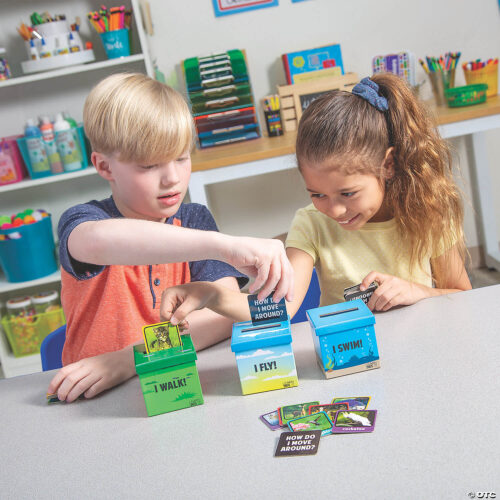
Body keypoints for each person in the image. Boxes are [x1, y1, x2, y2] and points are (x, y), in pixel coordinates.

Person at [47, 73, 293, 403]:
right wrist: (225, 245)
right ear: (104, 166)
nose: (172, 178)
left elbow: (223, 318)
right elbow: (98, 241)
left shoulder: (194, 219)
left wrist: (133, 357)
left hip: (180, 389)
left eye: (181, 157)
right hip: (97, 400)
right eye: (149, 166)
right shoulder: (83, 222)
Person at [159, 73, 471, 326]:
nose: (334, 209)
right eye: (317, 194)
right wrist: (212, 295)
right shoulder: (311, 224)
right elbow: (282, 308)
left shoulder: (428, 212)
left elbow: (463, 296)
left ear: (387, 165)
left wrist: (417, 291)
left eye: (348, 193)